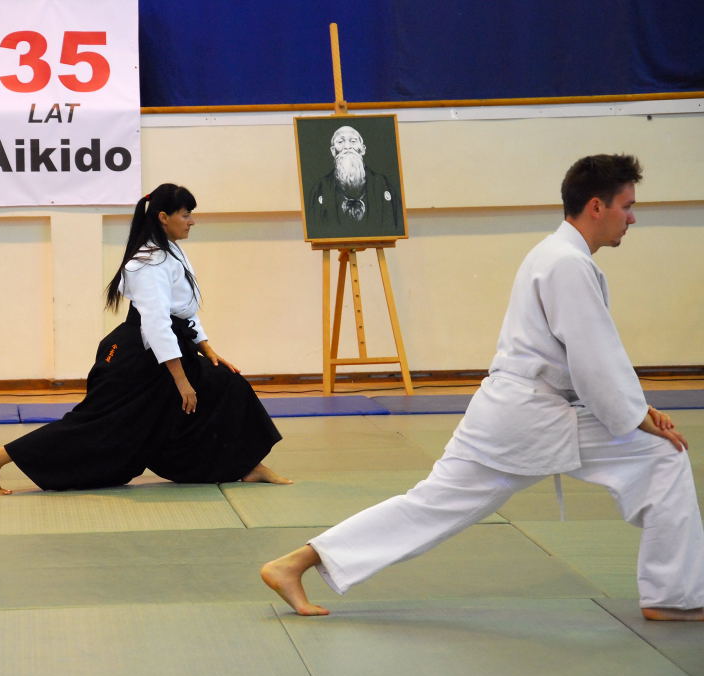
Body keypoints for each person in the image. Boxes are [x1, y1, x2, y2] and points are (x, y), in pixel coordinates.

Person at [262, 154, 704, 621]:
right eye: (627, 206)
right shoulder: (566, 264)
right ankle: (672, 597)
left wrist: (639, 410)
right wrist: (635, 415)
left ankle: (296, 562)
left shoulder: (556, 256)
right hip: (528, 415)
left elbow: (593, 361)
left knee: (433, 504)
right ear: (597, 206)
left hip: (525, 412)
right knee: (662, 456)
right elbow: (593, 362)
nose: (632, 217)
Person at [0, 183, 290, 494]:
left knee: (225, 385)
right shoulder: (147, 262)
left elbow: (184, 309)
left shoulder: (171, 252)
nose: (192, 221)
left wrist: (207, 349)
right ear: (163, 217)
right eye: (185, 214)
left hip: (168, 348)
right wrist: (181, 380)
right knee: (98, 425)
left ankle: (246, 465)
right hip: (136, 357)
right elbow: (156, 323)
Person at [305, 125, 402, 238]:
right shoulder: (320, 188)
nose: (347, 146)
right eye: (340, 141)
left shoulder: (383, 185)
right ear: (333, 151)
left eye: (353, 141)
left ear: (363, 149)